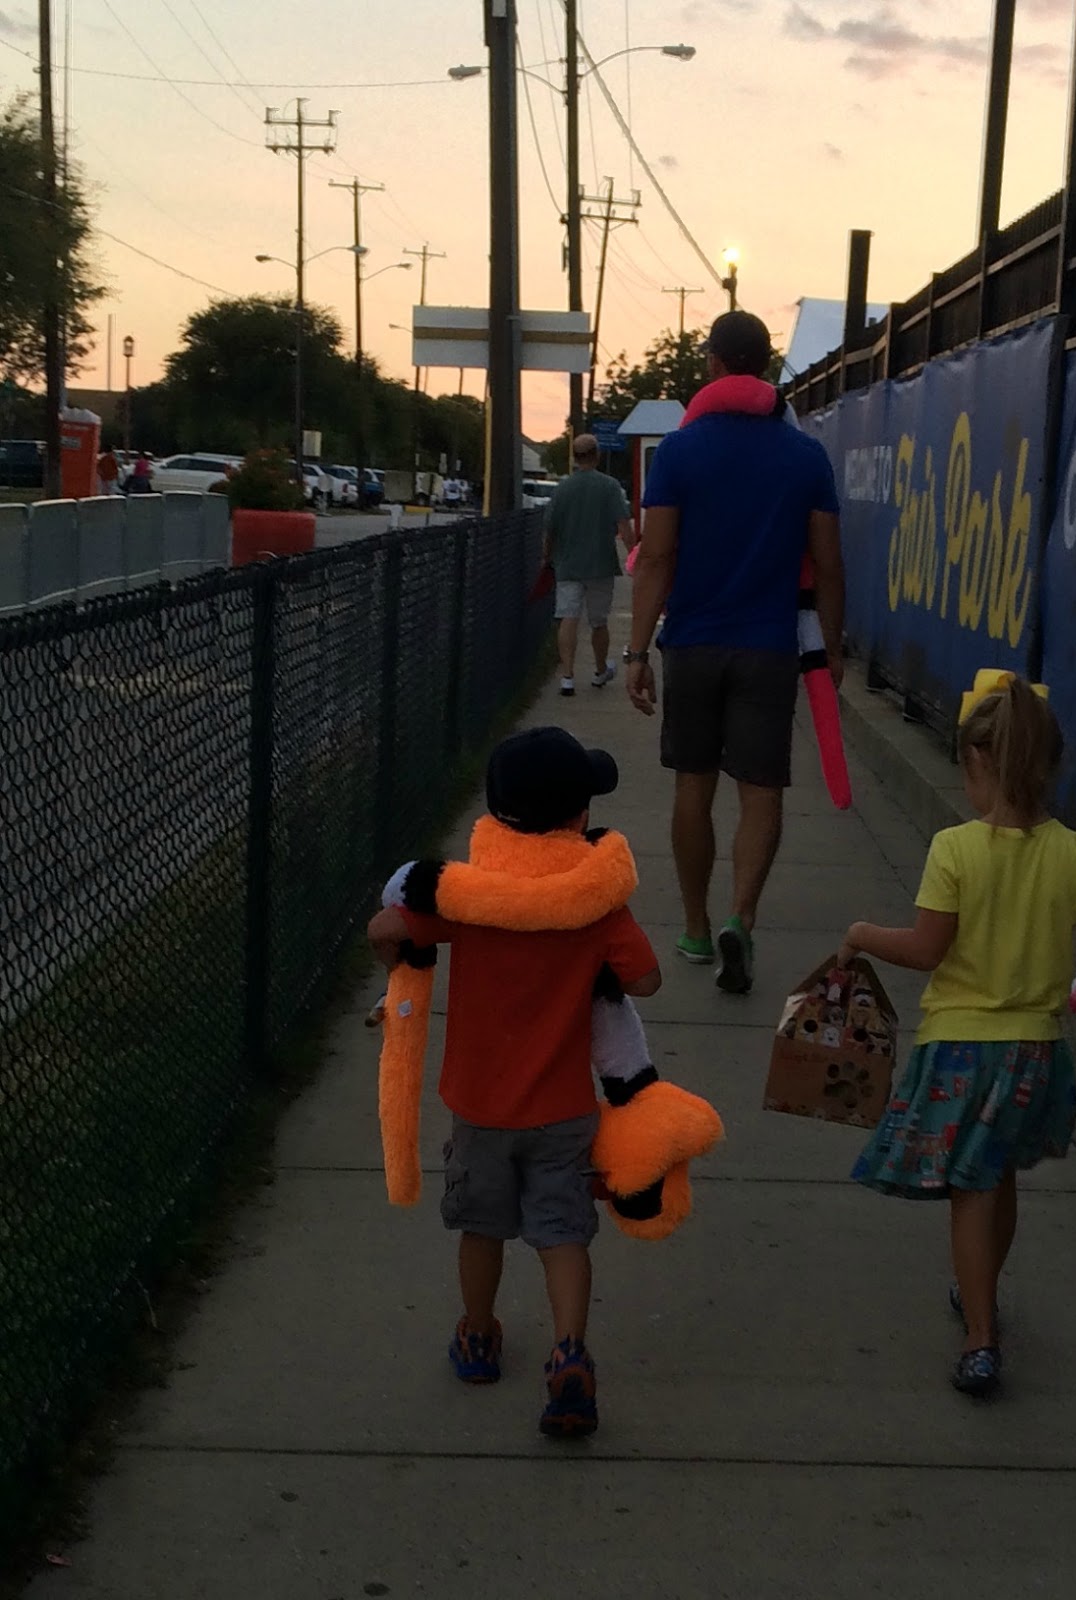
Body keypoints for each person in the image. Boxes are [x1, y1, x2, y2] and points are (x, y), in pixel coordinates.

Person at [836, 678, 1076, 1398]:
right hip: (1035, 1053)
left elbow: (926, 949)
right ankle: (981, 1294)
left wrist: (861, 935)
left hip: (960, 1051)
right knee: (997, 1176)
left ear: (979, 762)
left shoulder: (955, 850)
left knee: (969, 1191)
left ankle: (981, 1337)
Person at [366, 726, 662, 1436]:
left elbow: (384, 927)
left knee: (482, 1229)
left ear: (496, 817)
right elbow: (646, 980)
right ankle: (570, 1352)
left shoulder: (468, 898)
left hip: (478, 1109)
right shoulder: (596, 904)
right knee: (563, 1235)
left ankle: (477, 1335)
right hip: (563, 1110)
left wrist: (402, 969)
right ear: (579, 818)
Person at [626, 310, 843, 994]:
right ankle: (740, 919)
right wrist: (832, 649)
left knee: (693, 786)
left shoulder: (679, 452)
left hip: (692, 642)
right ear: (767, 366)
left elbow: (656, 556)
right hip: (769, 646)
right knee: (761, 791)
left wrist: (635, 651)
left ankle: (695, 927)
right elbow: (828, 564)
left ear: (715, 365)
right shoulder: (805, 456)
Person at [544, 433, 634, 697]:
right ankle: (599, 670)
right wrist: (634, 555)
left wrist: (546, 556)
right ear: (597, 454)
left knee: (568, 617)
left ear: (574, 457)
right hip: (600, 564)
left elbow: (549, 528)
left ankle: (567, 676)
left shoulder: (562, 488)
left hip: (567, 564)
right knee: (598, 621)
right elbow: (623, 525)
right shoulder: (610, 486)